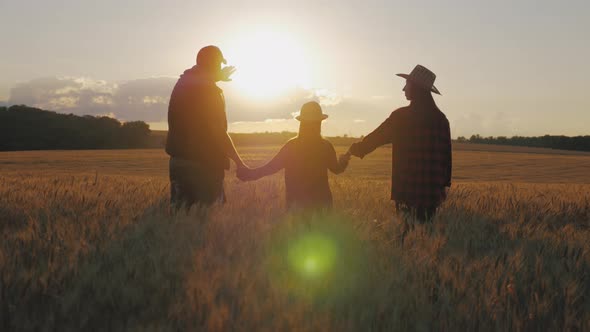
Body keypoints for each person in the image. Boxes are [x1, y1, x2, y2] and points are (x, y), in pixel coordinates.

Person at [348, 65, 452, 222]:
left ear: (416, 88)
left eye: (407, 85)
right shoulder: (441, 119)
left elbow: (376, 138)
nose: (404, 89)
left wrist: (355, 149)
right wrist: (443, 185)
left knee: (407, 235)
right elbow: (446, 157)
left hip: (406, 189)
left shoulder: (401, 117)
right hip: (432, 193)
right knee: (426, 236)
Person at [165, 45, 246, 209]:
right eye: (219, 65)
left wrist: (215, 77)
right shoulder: (209, 91)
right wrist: (239, 162)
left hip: (178, 163)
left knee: (180, 221)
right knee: (208, 222)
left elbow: (199, 80)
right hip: (204, 166)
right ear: (215, 65)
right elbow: (218, 131)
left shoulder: (182, 83)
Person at [237, 101, 350, 210]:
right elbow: (337, 169)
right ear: (319, 122)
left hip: (296, 204)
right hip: (322, 204)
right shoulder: (325, 146)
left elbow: (270, 168)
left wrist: (250, 174)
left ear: (302, 122)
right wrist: (344, 160)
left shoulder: (292, 146)